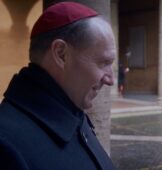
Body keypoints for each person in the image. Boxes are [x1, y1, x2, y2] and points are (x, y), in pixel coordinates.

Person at [0, 2, 116, 170]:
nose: (111, 79)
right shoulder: (5, 145)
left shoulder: (71, 109)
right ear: (61, 54)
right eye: (103, 62)